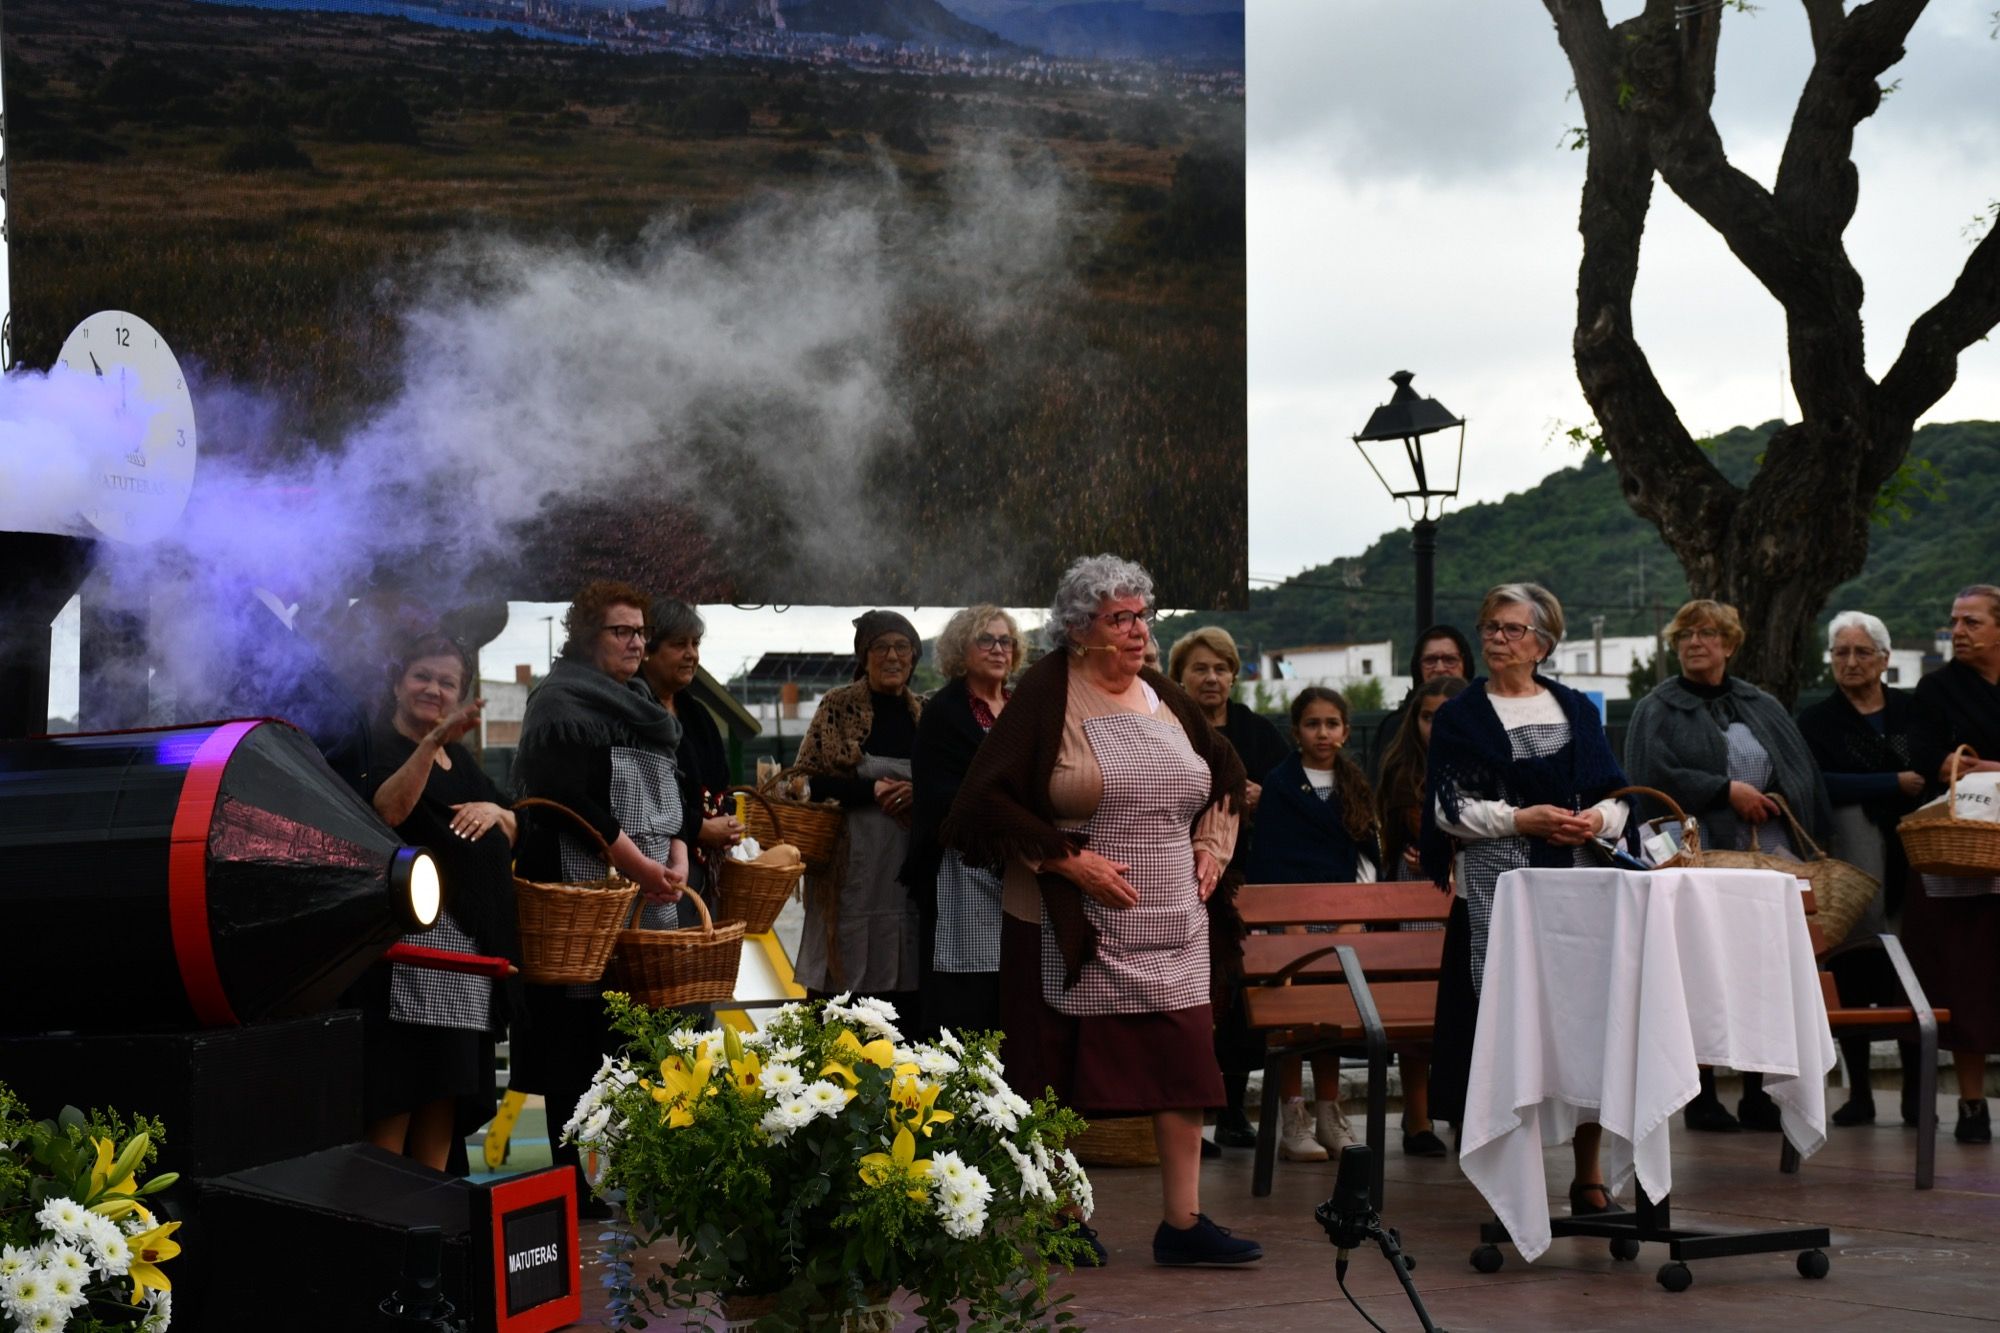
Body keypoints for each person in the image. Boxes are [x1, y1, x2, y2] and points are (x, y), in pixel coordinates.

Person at [945, 554, 1260, 1267]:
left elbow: (1227, 773)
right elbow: (981, 803)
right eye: (1121, 617)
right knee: (1052, 1069)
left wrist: (1211, 845)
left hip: (1172, 920)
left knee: (1184, 1063)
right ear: (1080, 629)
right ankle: (1060, 1215)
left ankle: (1183, 1222)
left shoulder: (1163, 694)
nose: (1138, 630)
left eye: (1142, 614)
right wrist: (1065, 859)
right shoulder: (1046, 695)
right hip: (1070, 924)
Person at [1421, 583, 1630, 1215]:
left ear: (1543, 643)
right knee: (1509, 1026)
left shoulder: (1575, 709)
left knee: (1586, 1024)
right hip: (1498, 895)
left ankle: (1589, 1176)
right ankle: (1515, 1177)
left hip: (1576, 892)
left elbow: (1618, 796)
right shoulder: (1463, 715)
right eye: (1489, 628)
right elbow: (1448, 809)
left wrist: (1594, 820)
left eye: (1511, 630)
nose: (1496, 640)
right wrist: (1522, 819)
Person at [510, 580, 689, 1208]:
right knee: (575, 1043)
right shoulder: (558, 703)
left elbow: (675, 797)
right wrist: (640, 866)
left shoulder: (642, 704)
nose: (637, 641)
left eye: (641, 631)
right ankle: (573, 1186)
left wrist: (679, 856)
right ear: (589, 638)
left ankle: (638, 1177)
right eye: (622, 630)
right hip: (583, 900)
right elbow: (566, 803)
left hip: (649, 897)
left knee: (636, 1036)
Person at [1625, 598, 1833, 1133]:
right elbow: (1650, 774)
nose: (1697, 642)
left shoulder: (1760, 703)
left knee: (1763, 971)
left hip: (1767, 858)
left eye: (1709, 633)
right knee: (1700, 970)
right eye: (1686, 634)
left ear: (1731, 643)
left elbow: (1801, 770)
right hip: (1698, 855)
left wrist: (1772, 796)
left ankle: (1762, 1091)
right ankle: (1702, 1093)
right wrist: (1725, 790)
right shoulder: (1658, 707)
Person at [352, 632, 518, 1172]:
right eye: (423, 676)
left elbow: (520, 821)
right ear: (398, 682)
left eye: (448, 683)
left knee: (444, 1096)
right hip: (407, 955)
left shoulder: (464, 765)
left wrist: (497, 814)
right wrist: (431, 743)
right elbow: (387, 812)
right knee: (396, 1095)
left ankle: (435, 1230)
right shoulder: (377, 746)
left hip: (466, 961)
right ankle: (382, 1227)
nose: (434, 689)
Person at [1796, 610, 1948, 1127]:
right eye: (1841, 652)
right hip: (1851, 853)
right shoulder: (1817, 720)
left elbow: (1931, 768)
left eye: (1862, 652)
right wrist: (1888, 784)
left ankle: (1913, 1092)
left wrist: (1908, 782)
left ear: (1884, 659)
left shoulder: (1912, 711)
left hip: (1913, 851)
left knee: (1914, 967)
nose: (1851, 662)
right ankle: (1858, 1091)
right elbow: (1815, 782)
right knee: (1855, 963)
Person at [1245, 687, 1380, 1162]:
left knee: (1332, 1023)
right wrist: (1289, 926)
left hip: (1342, 922)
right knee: (1292, 1024)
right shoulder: (1281, 785)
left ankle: (1329, 1114)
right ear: (1295, 730)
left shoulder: (1354, 784)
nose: (1323, 733)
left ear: (1345, 730)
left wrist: (1354, 917)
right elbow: (1271, 859)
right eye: (1312, 724)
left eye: (1332, 723)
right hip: (1292, 924)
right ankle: (1293, 1117)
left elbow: (1366, 855)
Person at [1167, 625, 1289, 1151]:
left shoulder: (1258, 731)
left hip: (1247, 877)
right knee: (1199, 999)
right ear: (1180, 677)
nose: (1211, 677)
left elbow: (1291, 792)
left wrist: (1268, 799)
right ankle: (1195, 1120)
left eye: (1221, 668)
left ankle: (1235, 1110)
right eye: (1200, 668)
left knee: (1241, 1001)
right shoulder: (1169, 725)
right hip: (1181, 878)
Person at [1905, 584, 2000, 1144]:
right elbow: (1926, 761)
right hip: (1959, 850)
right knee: (1964, 979)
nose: (1958, 632)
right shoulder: (1935, 689)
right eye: (1954, 621)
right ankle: (1971, 1104)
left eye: (1971, 622)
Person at [792, 610, 925, 1007]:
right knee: (844, 980)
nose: (892, 656)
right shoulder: (839, 705)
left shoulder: (924, 713)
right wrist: (874, 789)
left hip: (906, 870)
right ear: (863, 656)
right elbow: (804, 782)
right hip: (850, 871)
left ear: (914, 657)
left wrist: (917, 793)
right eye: (880, 647)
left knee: (905, 980)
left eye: (902, 647)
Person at [904, 605, 1024, 1039]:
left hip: (1019, 867)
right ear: (961, 649)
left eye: (1005, 640)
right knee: (964, 998)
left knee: (1011, 989)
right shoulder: (945, 712)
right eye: (986, 640)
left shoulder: (1020, 706)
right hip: (961, 869)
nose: (998, 649)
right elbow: (940, 796)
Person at [1372, 673, 1469, 1157]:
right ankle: (1417, 1116)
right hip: (1415, 899)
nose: (1439, 726)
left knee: (1462, 1007)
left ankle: (1463, 1107)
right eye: (1430, 717)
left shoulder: (1479, 760)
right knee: (1417, 1011)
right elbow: (1420, 832)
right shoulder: (1405, 767)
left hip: (1466, 892)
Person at [641, 601, 745, 910]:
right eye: (679, 644)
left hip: (705, 869)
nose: (691, 654)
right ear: (648, 650)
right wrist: (700, 827)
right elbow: (644, 798)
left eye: (695, 644)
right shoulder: (635, 713)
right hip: (657, 875)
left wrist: (726, 821)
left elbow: (721, 783)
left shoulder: (697, 714)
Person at [1372, 624, 1475, 760]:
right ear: (1418, 668)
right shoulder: (1395, 727)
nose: (1439, 668)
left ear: (1465, 665)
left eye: (1450, 660)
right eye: (1430, 660)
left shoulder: (1486, 719)